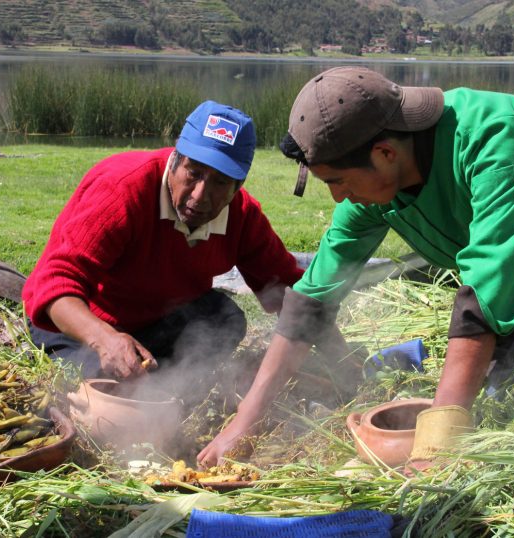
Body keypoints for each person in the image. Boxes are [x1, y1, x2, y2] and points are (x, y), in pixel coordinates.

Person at [197, 66, 514, 467]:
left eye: (337, 182)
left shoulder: (494, 139)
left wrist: (435, 453)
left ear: (385, 154)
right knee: (500, 381)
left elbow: (484, 294)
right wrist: (245, 421)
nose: (337, 197)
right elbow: (311, 301)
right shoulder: (374, 183)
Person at [23, 100, 304, 381]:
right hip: (83, 325)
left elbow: (293, 292)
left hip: (155, 321)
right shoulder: (121, 190)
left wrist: (338, 361)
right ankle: (140, 377)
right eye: (193, 173)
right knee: (104, 381)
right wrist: (104, 339)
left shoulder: (242, 216)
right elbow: (55, 284)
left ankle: (163, 382)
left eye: (220, 183)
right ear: (175, 160)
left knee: (224, 318)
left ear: (237, 187)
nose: (199, 196)